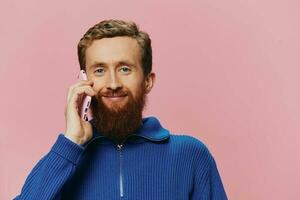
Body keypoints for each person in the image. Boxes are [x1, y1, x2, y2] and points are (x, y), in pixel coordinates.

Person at [14, 19, 227, 200]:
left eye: (125, 69)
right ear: (84, 82)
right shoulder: (64, 160)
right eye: (99, 70)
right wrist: (71, 142)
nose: (113, 83)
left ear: (147, 81)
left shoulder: (190, 155)